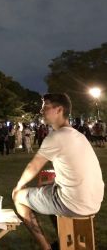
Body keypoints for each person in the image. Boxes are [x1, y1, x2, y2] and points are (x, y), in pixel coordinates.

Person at [12, 93, 104, 250]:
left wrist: (18, 186)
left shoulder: (57, 136)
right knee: (46, 189)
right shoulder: (79, 136)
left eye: (45, 107)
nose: (41, 111)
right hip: (94, 202)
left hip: (74, 203)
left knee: (19, 197)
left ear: (59, 109)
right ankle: (63, 241)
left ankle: (46, 247)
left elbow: (33, 166)